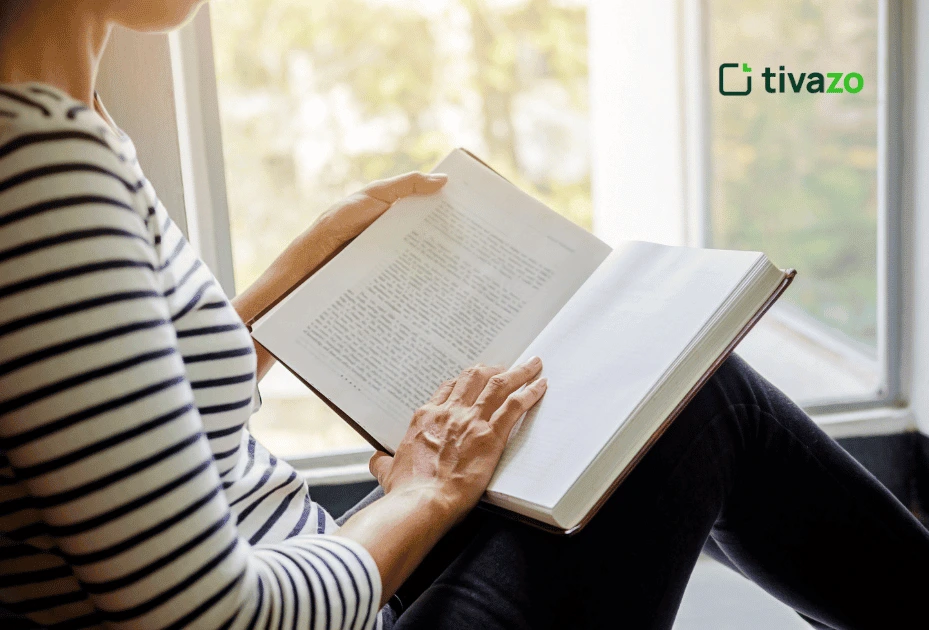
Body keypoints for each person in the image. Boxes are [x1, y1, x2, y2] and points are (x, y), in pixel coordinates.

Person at [0, 1, 927, 629]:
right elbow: (208, 618)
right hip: (319, 600)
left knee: (647, 401)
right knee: (694, 402)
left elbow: (130, 431)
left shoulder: (65, 121)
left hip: (332, 572)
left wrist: (304, 263)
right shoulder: (39, 169)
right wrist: (423, 494)